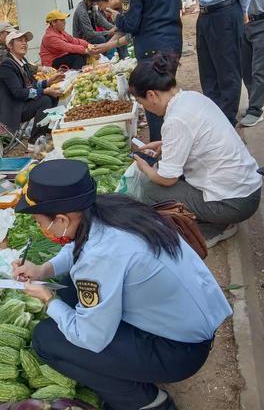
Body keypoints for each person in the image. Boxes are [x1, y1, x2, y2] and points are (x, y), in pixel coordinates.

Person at [12, 159, 232, 410]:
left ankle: (146, 401)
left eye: (39, 222)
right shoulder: (109, 208)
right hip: (188, 320)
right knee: (71, 290)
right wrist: (43, 269)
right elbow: (77, 246)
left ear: (61, 219)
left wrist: (48, 298)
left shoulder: (101, 256)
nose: (40, 228)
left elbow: (90, 338)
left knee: (46, 339)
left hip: (178, 351)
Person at [128, 54, 262, 248]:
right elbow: (198, 138)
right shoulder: (191, 98)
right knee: (163, 171)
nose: (145, 107)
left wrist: (144, 167)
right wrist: (166, 145)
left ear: (151, 95)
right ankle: (215, 219)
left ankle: (212, 228)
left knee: (149, 187)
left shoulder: (175, 120)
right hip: (248, 191)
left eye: (142, 102)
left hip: (234, 204)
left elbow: (167, 179)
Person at [86, 0, 182, 142]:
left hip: (151, 49)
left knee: (154, 102)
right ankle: (177, 146)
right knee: (171, 99)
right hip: (173, 42)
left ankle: (161, 152)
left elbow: (131, 23)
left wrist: (118, 17)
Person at [195, 0, 253, 127]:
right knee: (208, 72)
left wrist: (243, 10)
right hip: (204, 14)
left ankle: (227, 124)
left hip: (226, 11)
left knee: (228, 73)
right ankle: (215, 121)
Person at [0, 31, 65, 151]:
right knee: (44, 100)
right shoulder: (7, 65)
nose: (24, 44)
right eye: (20, 41)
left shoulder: (22, 62)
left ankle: (45, 131)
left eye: (25, 41)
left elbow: (32, 84)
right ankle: (34, 142)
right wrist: (44, 91)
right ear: (10, 46)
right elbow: (19, 93)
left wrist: (48, 82)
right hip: (13, 108)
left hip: (23, 103)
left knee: (53, 96)